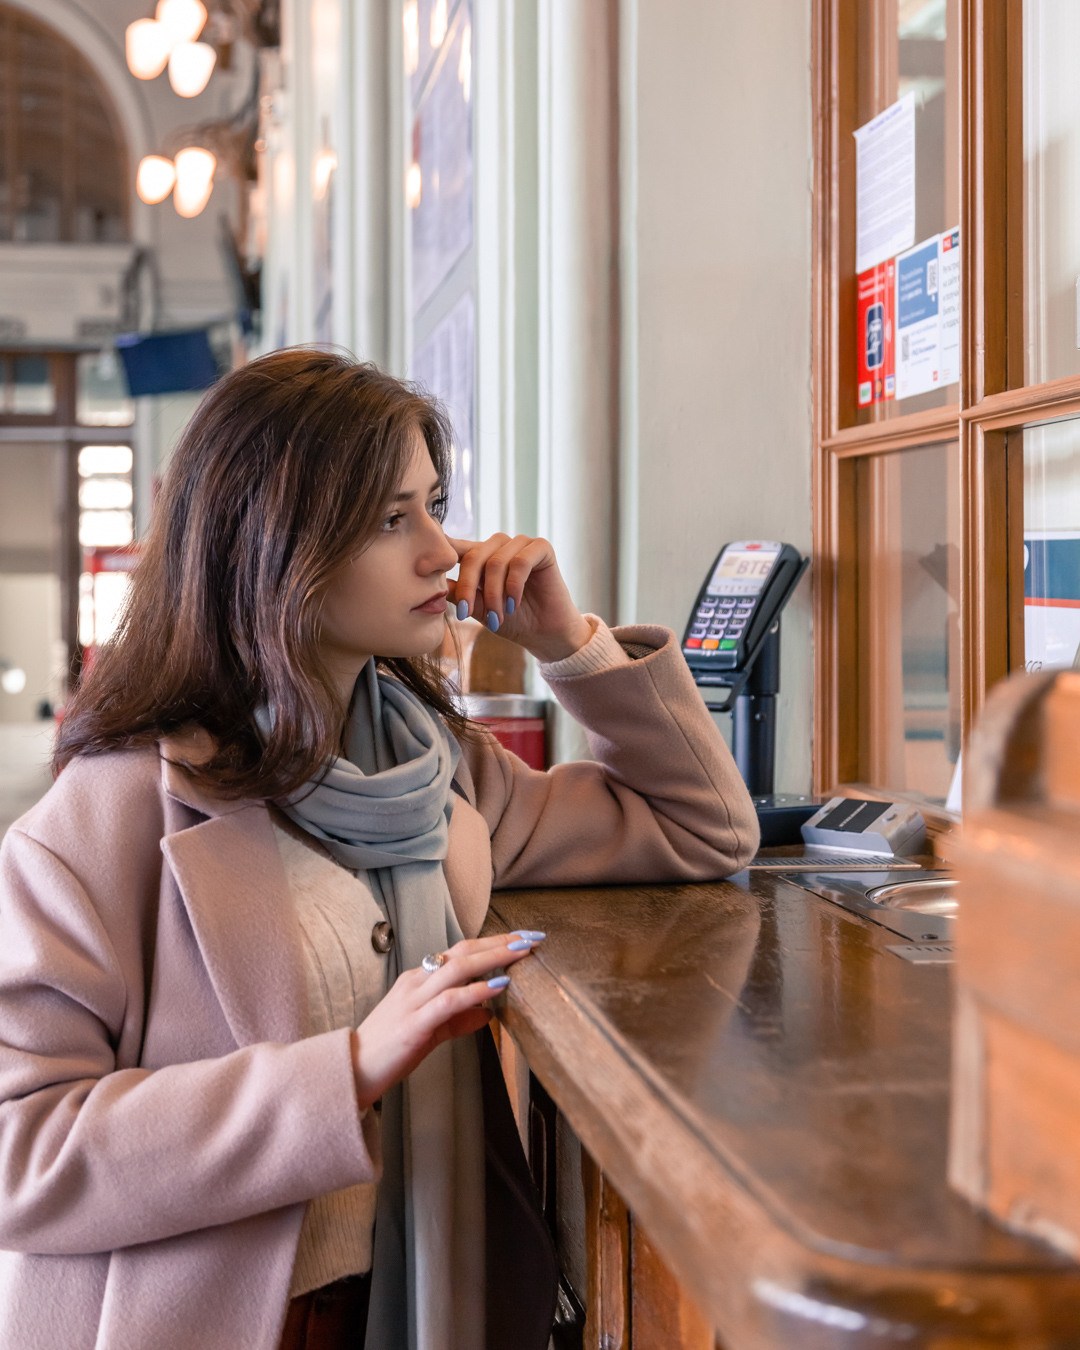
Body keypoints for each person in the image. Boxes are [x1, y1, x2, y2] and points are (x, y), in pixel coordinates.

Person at [0, 348, 758, 1350]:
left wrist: (569, 641)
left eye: (434, 505)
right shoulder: (109, 819)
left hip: (436, 1298)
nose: (443, 551)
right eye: (391, 519)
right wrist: (347, 1069)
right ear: (272, 545)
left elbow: (699, 826)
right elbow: (23, 1156)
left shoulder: (429, 769)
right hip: (229, 1320)